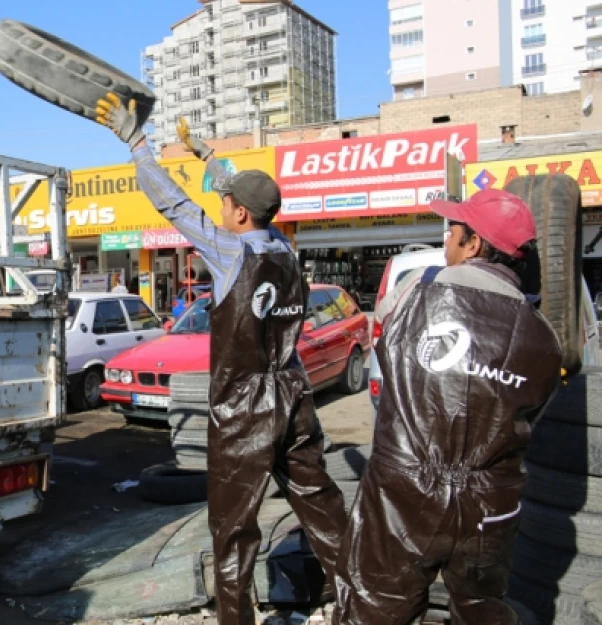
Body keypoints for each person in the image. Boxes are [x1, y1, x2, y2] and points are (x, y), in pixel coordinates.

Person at [95, 93, 348, 625]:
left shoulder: (232, 252)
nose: (221, 207)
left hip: (245, 406)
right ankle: (365, 606)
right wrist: (210, 158)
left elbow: (174, 205)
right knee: (321, 510)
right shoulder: (285, 249)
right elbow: (248, 201)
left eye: (226, 202)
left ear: (237, 213)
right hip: (294, 394)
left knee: (233, 531)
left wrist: (138, 143)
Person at [331, 189, 563, 625]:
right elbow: (529, 420)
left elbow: (386, 346)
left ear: (473, 244)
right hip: (491, 507)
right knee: (480, 612)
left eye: (453, 231)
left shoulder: (415, 290)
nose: (447, 241)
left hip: (403, 494)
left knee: (375, 606)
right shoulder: (544, 338)